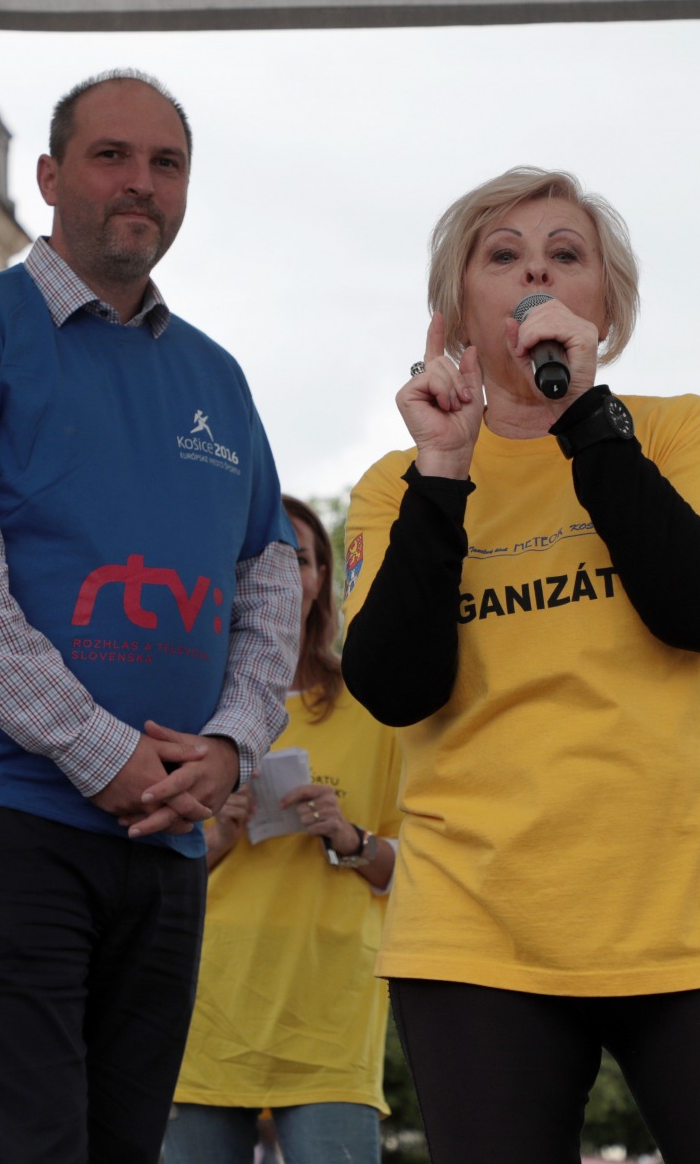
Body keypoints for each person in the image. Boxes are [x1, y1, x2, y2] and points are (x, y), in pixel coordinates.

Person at [340, 166, 700, 1163]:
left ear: (606, 305)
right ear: (455, 311)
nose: (537, 272)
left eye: (567, 254)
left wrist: (586, 419)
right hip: (478, 931)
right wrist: (445, 472)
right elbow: (395, 686)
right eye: (504, 254)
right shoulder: (397, 485)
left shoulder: (683, 430)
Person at [0, 68, 301, 1164]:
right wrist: (98, 748)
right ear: (51, 176)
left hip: (161, 835)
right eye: (112, 156)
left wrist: (231, 744)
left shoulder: (219, 379)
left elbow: (270, 582)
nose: (140, 182)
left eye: (166, 163)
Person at [164, 496, 403, 1163]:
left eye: (295, 557)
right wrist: (216, 837)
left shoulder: (376, 703)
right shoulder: (190, 702)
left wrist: (351, 839)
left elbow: (421, 869)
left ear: (322, 578)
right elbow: (142, 869)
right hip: (205, 1006)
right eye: (257, 557)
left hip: (328, 1013)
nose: (276, 573)